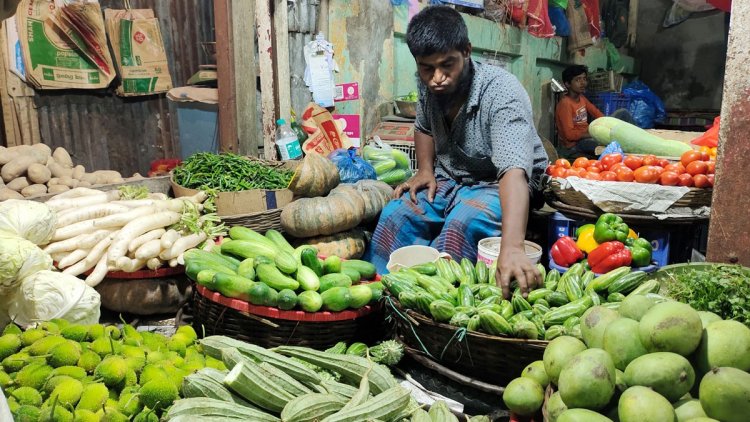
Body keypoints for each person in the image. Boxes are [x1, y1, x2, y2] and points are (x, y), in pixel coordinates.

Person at [364, 6, 548, 297]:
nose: (438, 77)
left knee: (460, 226)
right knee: (395, 214)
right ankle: (382, 300)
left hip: (502, 181)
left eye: (447, 65)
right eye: (427, 68)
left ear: (466, 51)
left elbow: (514, 171)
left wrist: (513, 247)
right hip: (452, 175)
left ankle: (439, 312)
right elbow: (424, 126)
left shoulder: (501, 92)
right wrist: (425, 170)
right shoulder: (430, 86)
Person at [555, 65, 604, 159]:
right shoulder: (565, 104)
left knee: (622, 113)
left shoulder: (582, 98)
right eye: (578, 80)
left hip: (587, 136)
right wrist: (592, 135)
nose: (583, 83)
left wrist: (608, 124)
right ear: (568, 84)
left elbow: (597, 114)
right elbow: (569, 135)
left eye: (584, 79)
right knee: (602, 147)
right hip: (575, 145)